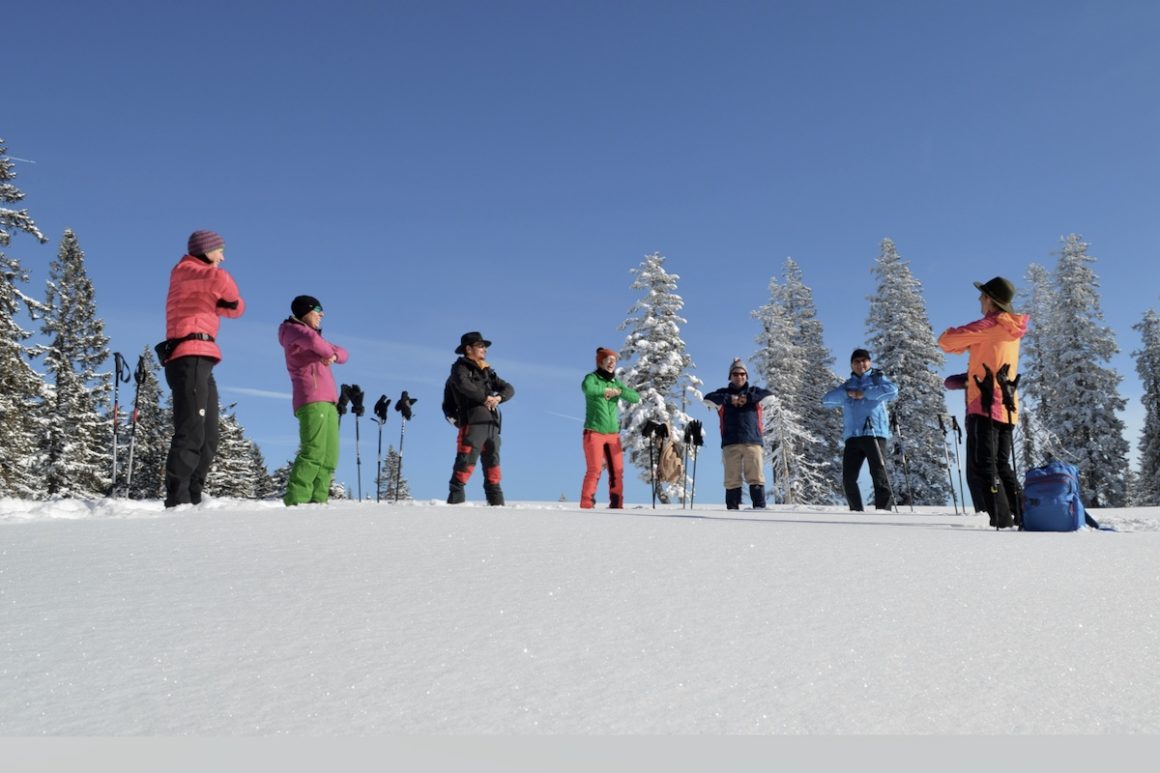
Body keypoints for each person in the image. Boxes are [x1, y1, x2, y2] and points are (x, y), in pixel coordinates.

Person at [161, 230, 245, 508]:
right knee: (191, 430)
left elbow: (237, 308)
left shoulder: (201, 279)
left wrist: (226, 299)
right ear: (205, 250)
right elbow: (223, 283)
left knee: (209, 437)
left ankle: (194, 498)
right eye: (219, 250)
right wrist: (225, 294)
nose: (222, 256)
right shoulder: (186, 270)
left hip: (203, 358)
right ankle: (178, 499)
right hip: (189, 355)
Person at [937, 276, 1030, 529]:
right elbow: (992, 354)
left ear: (991, 300)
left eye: (982, 295)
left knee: (984, 465)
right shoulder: (1011, 329)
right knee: (1000, 464)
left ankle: (1001, 521)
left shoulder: (991, 324)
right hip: (1008, 406)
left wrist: (964, 343)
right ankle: (1024, 515)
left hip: (985, 405)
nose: (979, 299)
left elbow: (946, 341)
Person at [278, 295, 349, 506]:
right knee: (314, 451)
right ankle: (297, 500)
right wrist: (329, 352)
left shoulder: (313, 336)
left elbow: (344, 353)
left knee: (330, 455)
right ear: (305, 311)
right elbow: (318, 345)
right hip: (311, 398)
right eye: (318, 309)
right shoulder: (292, 331)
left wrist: (333, 355)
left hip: (328, 401)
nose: (322, 314)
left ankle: (318, 500)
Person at [822, 348, 900, 512]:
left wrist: (864, 393)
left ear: (869, 362)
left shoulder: (877, 379)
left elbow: (892, 391)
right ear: (852, 365)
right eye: (857, 361)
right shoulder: (847, 385)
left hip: (874, 433)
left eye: (864, 360)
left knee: (879, 474)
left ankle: (883, 511)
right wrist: (848, 394)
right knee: (848, 478)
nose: (860, 364)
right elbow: (827, 401)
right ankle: (856, 511)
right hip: (853, 436)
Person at [445, 331, 515, 506]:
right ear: (468, 349)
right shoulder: (459, 368)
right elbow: (464, 386)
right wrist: (485, 398)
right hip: (473, 423)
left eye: (485, 346)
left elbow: (508, 388)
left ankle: (498, 509)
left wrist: (498, 398)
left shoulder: (487, 371)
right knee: (464, 465)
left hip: (492, 425)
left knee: (494, 470)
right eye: (480, 346)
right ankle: (455, 507)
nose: (485, 349)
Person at [703, 358, 773, 509]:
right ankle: (732, 512)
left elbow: (770, 396)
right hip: (730, 443)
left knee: (756, 478)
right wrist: (730, 399)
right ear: (730, 376)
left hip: (752, 442)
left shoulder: (754, 392)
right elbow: (707, 398)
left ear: (746, 376)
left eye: (742, 373)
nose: (739, 376)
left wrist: (747, 399)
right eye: (735, 373)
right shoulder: (723, 394)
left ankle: (759, 509)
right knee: (732, 479)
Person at [580, 347, 640, 509]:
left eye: (614, 361)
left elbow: (635, 397)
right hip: (594, 432)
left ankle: (617, 505)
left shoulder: (616, 382)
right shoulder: (592, 378)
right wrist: (606, 391)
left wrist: (618, 391)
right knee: (595, 469)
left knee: (617, 472)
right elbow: (587, 389)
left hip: (613, 435)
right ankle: (587, 504)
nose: (612, 363)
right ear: (601, 362)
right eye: (609, 360)